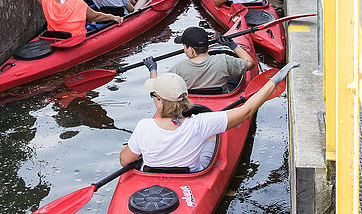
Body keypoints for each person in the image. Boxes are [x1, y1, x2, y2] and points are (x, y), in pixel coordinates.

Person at [118, 66, 295, 173]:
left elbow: (125, 161)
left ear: (158, 100)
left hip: (150, 173)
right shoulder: (201, 123)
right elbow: (247, 110)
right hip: (193, 172)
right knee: (212, 135)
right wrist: (274, 81)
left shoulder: (144, 127)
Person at [143, 26, 256, 91]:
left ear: (191, 50)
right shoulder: (224, 60)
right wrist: (233, 46)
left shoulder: (177, 70)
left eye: (184, 46)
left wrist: (152, 69)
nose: (184, 49)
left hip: (192, 107)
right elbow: (251, 63)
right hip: (221, 101)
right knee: (234, 76)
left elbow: (155, 88)